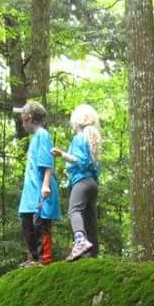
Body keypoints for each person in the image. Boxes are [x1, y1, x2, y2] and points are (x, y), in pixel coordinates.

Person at [14, 101, 61, 266]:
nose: (21, 122)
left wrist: (46, 185)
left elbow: (47, 162)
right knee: (28, 224)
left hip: (40, 190)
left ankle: (44, 260)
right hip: (30, 194)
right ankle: (34, 259)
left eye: (22, 118)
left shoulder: (42, 135)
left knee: (41, 225)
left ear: (29, 117)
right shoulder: (35, 138)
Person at [52, 104, 101, 261]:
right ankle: (93, 251)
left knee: (74, 210)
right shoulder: (91, 140)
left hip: (81, 182)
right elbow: (92, 165)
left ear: (77, 122)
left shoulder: (79, 139)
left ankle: (80, 241)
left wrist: (62, 155)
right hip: (92, 183)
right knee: (89, 216)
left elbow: (79, 160)